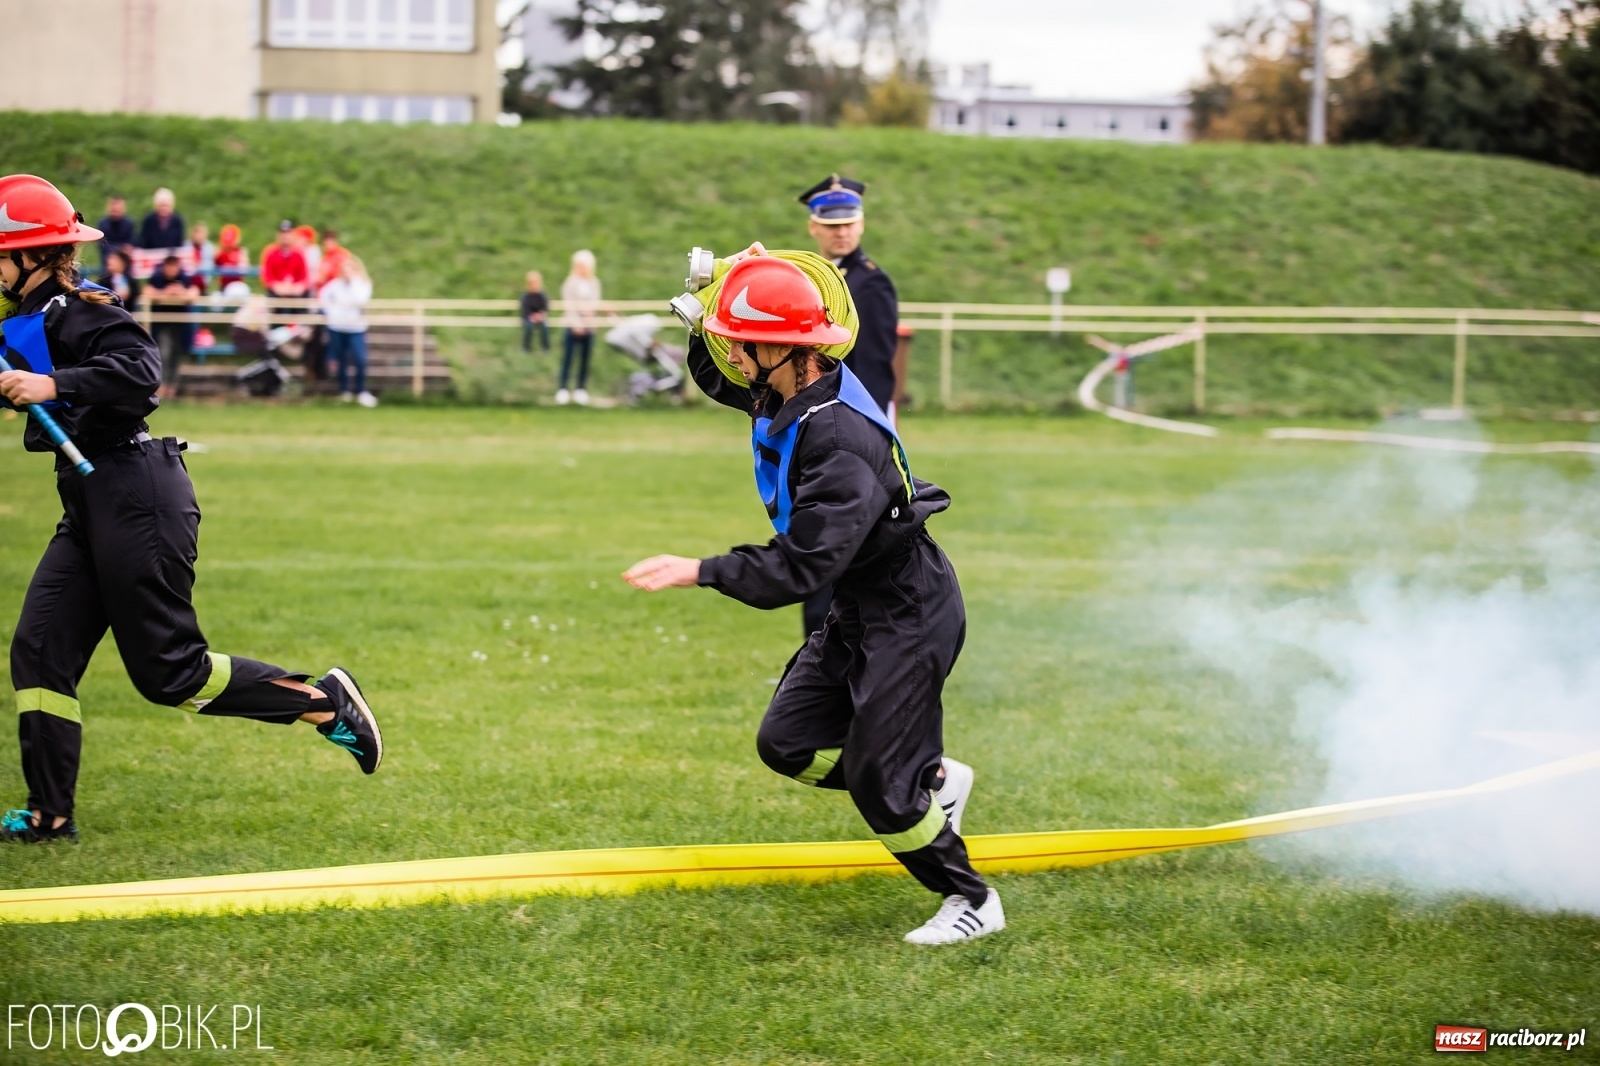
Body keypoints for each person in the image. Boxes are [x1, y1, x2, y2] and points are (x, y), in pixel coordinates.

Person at [623, 248, 1004, 945]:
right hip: (862, 604)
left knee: (877, 784)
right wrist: (706, 292)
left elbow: (801, 567)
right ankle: (934, 779)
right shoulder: (794, 381)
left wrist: (701, 569)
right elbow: (713, 372)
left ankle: (970, 896)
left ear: (780, 346)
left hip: (909, 612)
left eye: (742, 343)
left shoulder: (838, 440)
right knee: (788, 742)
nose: (731, 355)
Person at [0, 175, 382, 845]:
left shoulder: (80, 310)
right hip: (89, 501)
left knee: (170, 673)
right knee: (40, 652)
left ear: (33, 255)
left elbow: (141, 370)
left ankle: (323, 702)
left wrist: (50, 383)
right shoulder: (31, 322)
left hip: (137, 496)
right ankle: (48, 815)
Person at [795, 175, 902, 638]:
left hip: (849, 431)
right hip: (814, 425)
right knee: (810, 536)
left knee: (835, 541)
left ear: (861, 224)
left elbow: (876, 369)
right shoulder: (807, 282)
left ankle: (829, 650)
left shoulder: (871, 284)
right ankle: (821, 651)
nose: (841, 232)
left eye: (849, 223)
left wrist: (861, 435)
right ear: (813, 227)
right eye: (831, 224)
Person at [320, 255, 376, 407]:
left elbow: (360, 300)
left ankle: (361, 390)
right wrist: (331, 312)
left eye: (350, 269)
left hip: (356, 327)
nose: (346, 273)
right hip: (337, 326)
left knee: (360, 359)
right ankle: (344, 391)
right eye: (344, 270)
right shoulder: (335, 284)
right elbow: (323, 297)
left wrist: (352, 283)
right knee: (341, 360)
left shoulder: (362, 284)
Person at [143, 254, 199, 399]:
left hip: (180, 325)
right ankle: (161, 388)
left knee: (176, 355)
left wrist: (181, 292)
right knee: (164, 354)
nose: (172, 269)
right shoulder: (157, 278)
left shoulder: (184, 278)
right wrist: (166, 293)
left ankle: (172, 388)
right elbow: (147, 292)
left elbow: (194, 293)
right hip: (162, 324)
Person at [557, 249, 601, 405]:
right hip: (572, 326)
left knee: (585, 359)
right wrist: (577, 324)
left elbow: (594, 304)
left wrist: (587, 322)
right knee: (568, 358)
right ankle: (562, 388)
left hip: (588, 326)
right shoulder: (570, 283)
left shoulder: (594, 283)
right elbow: (569, 306)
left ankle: (580, 389)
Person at [260, 221, 309, 298]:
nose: (285, 236)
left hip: (295, 292)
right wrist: (277, 286)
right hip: (276, 291)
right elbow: (267, 277)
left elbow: (304, 277)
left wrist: (297, 287)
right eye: (282, 233)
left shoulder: (299, 253)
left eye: (288, 233)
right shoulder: (270, 252)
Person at [136, 187, 185, 251]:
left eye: (166, 205)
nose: (163, 208)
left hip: (171, 257)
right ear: (156, 205)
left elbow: (179, 243)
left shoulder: (178, 221)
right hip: (152, 256)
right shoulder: (148, 220)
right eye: (161, 205)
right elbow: (143, 242)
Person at [94, 196, 135, 267]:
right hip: (107, 262)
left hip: (125, 263)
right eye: (114, 210)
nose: (116, 213)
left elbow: (132, 242)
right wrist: (120, 249)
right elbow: (102, 245)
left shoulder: (129, 224)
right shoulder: (103, 224)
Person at [520, 270, 549, 353]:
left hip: (540, 316)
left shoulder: (542, 294)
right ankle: (526, 347)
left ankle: (545, 348)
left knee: (544, 326)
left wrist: (540, 315)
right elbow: (525, 309)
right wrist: (531, 317)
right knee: (528, 327)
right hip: (528, 316)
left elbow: (546, 307)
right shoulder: (526, 295)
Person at [214, 224, 250, 289]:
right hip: (224, 286)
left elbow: (244, 270)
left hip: (237, 285)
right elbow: (213, 265)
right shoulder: (220, 252)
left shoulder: (240, 252)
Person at [188, 222, 216, 294]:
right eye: (196, 233)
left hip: (204, 282)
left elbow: (211, 265)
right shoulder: (186, 247)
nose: (198, 236)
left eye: (201, 233)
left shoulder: (210, 248)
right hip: (188, 282)